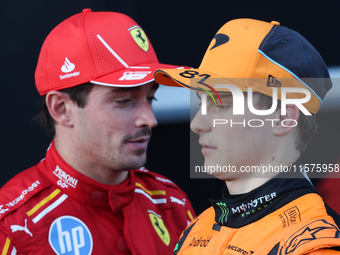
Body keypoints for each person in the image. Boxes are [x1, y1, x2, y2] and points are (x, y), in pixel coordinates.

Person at [0, 9, 195, 255]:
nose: (150, 119)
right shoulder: (14, 227)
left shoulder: (171, 203)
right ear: (62, 109)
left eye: (150, 98)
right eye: (124, 101)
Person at [154, 18, 340, 254]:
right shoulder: (197, 228)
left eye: (221, 103)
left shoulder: (314, 245)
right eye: (200, 103)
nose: (196, 124)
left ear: (284, 118)